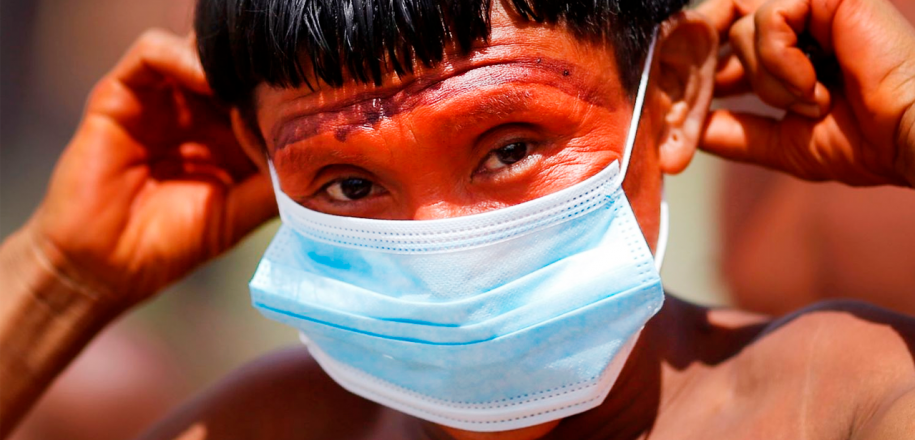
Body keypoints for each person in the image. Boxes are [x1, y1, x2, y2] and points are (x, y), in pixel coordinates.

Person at [1, 0, 914, 439]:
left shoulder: (845, 406)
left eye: (510, 147)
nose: (447, 253)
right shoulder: (271, 431)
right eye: (350, 186)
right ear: (261, 156)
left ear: (669, 90)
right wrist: (60, 275)